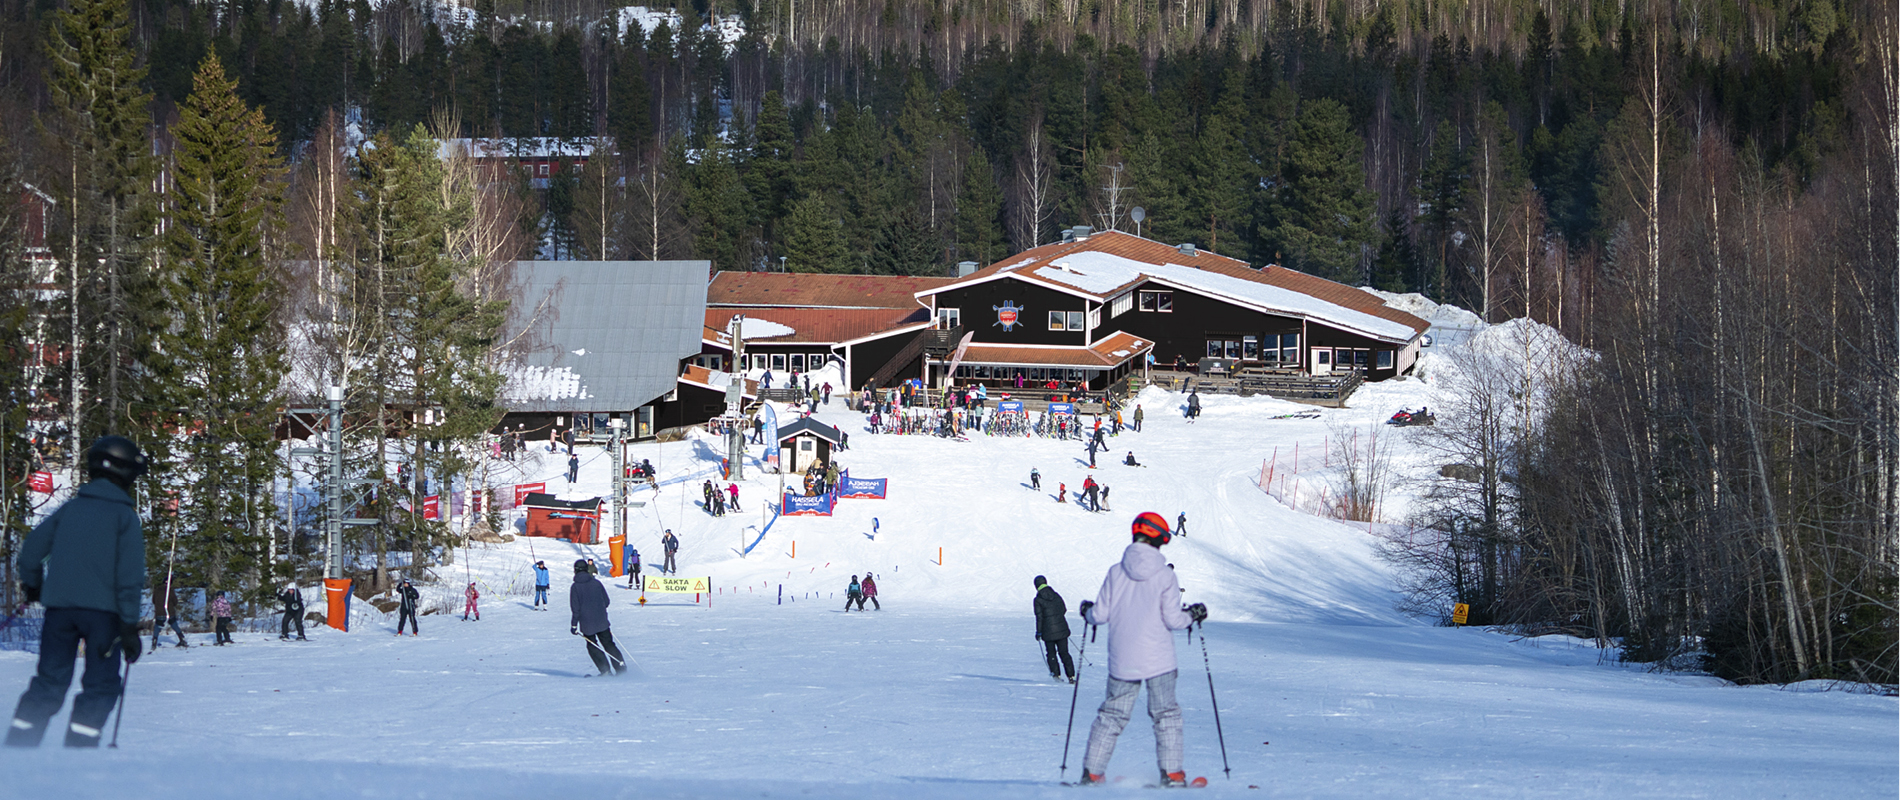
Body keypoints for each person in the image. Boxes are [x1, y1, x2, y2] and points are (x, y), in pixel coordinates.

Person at [6, 436, 148, 748]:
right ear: (123, 472)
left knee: (49, 682)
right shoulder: (125, 517)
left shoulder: (70, 509)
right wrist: (128, 625)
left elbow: (31, 551)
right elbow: (129, 578)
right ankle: (78, 756)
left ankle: (18, 749)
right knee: (100, 685)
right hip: (104, 618)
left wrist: (33, 585)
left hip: (59, 614)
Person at [1075, 512, 1209, 786]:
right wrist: (1193, 615)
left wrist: (1087, 611)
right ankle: (1172, 775)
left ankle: (1092, 773)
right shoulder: (1165, 576)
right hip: (1159, 660)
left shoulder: (1115, 572)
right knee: (1166, 714)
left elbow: (1099, 615)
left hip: (1122, 660)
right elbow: (1174, 620)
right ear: (1159, 540)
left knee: (1111, 715)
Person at [569, 559, 627, 676]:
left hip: (587, 624)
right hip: (602, 621)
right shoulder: (596, 583)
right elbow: (606, 601)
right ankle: (621, 670)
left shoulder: (575, 587)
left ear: (575, 571)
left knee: (592, 645)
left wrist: (574, 625)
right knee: (609, 644)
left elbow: (576, 609)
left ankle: (605, 671)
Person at [1033, 576, 1075, 683]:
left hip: (1048, 632)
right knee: (1064, 653)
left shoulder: (1038, 600)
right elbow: (1063, 609)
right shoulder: (1056, 596)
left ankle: (1056, 676)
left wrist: (1038, 632)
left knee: (1051, 654)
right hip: (1062, 629)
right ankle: (1071, 676)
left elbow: (1039, 617)